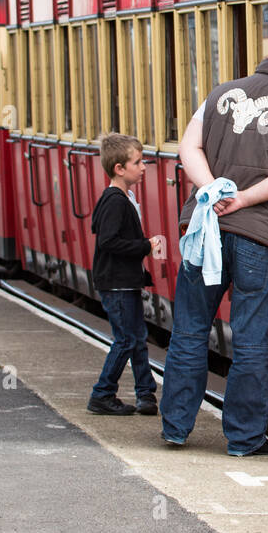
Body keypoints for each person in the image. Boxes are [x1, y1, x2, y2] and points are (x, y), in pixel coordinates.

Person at [161, 35, 268, 455]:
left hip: (204, 234)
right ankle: (243, 439)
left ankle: (176, 428)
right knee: (250, 343)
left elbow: (187, 147)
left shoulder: (219, 94)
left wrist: (212, 191)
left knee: (190, 332)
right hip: (257, 237)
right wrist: (243, 200)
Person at [87, 133, 164, 416]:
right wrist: (145, 246)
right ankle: (102, 394)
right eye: (138, 162)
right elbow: (108, 241)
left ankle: (146, 395)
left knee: (137, 337)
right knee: (126, 340)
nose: (144, 167)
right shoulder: (115, 201)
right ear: (119, 168)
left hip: (125, 281)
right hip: (116, 283)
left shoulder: (125, 197)